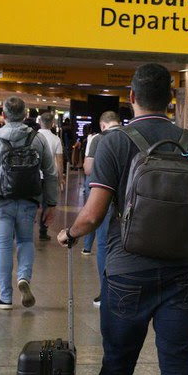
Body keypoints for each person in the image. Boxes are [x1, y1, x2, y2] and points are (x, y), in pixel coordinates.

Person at [56, 63, 188, 375]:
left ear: (131, 96)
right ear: (170, 98)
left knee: (117, 364)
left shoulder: (114, 142)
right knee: (178, 367)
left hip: (129, 271)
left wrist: (70, 234)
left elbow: (93, 215)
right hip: (183, 272)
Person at [0, 96, 59, 310]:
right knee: (26, 240)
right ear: (25, 114)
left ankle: (5, 297)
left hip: (0, 200)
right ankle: (24, 277)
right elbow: (51, 172)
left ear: (4, 115)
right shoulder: (37, 139)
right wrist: (51, 204)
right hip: (29, 199)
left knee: (3, 247)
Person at [81, 110, 122, 307]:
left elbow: (89, 169)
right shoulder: (130, 137)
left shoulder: (99, 139)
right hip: (130, 199)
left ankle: (105, 292)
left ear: (103, 124)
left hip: (106, 197)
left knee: (104, 243)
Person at [36, 112, 66, 241]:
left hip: (35, 175)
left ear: (40, 122)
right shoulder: (56, 139)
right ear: (52, 123)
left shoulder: (33, 137)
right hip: (50, 176)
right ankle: (43, 231)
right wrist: (61, 178)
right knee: (48, 204)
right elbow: (59, 160)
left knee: (33, 202)